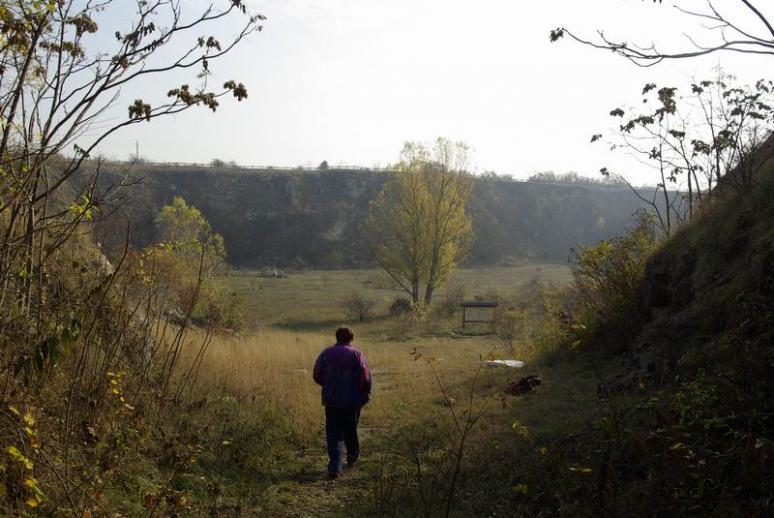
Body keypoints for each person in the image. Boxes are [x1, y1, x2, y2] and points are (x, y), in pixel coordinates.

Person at [313, 326, 372, 479]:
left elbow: (317, 374)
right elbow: (365, 378)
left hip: (332, 401)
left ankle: (335, 468)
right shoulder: (357, 354)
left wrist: (328, 385)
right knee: (351, 430)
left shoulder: (326, 354)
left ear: (337, 337)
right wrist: (364, 395)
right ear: (351, 338)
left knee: (333, 433)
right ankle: (352, 460)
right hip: (352, 401)